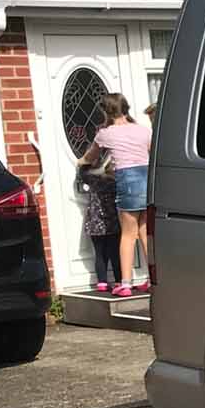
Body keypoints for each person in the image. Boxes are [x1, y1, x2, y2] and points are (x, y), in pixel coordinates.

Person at [82, 94, 151, 297]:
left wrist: (80, 163)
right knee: (144, 231)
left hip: (127, 181)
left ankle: (126, 284)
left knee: (128, 235)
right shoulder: (143, 130)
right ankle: (152, 279)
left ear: (106, 111)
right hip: (146, 180)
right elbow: (150, 152)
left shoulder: (106, 133)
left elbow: (90, 157)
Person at [78, 146, 120, 291]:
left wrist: (87, 159)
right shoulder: (115, 181)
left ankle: (101, 282)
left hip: (95, 222)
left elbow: (82, 170)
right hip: (112, 222)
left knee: (100, 253)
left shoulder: (92, 179)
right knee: (115, 252)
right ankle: (119, 280)